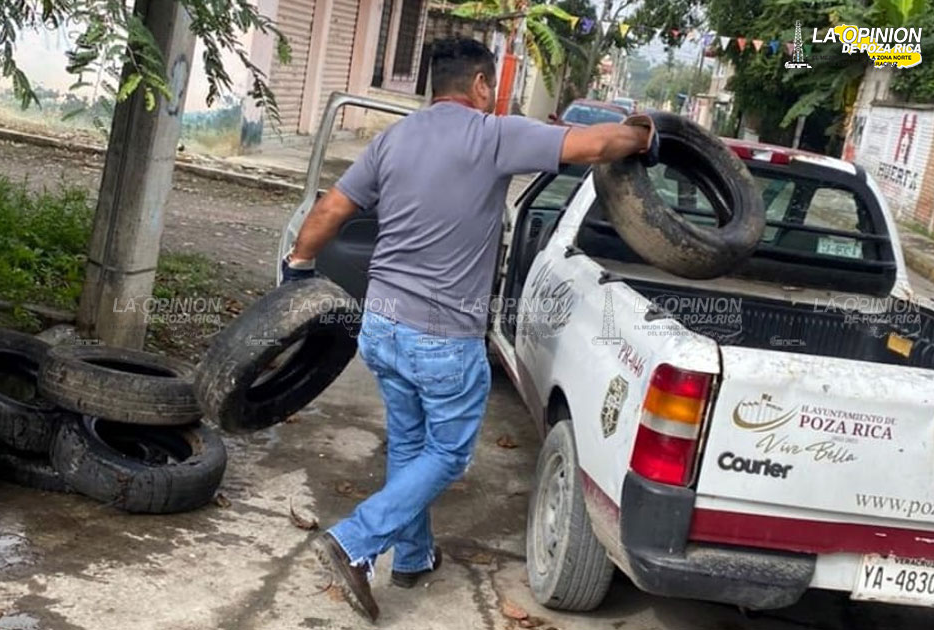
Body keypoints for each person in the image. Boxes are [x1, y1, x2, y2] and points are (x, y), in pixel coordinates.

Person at [282, 36, 658, 622]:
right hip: (441, 335)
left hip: (381, 325)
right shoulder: (495, 134)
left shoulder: (394, 137)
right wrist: (647, 133)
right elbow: (598, 144)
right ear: (481, 85)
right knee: (449, 455)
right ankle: (357, 540)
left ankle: (411, 557)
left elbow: (330, 211)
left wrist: (297, 271)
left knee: (410, 445)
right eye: (492, 86)